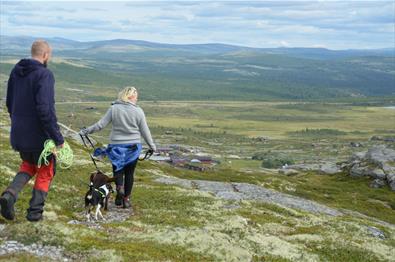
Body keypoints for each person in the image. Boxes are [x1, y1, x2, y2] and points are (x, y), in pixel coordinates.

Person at [1, 40, 64, 222]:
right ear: (45, 55)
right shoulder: (44, 75)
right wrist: (57, 138)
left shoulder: (16, 71)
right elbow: (45, 109)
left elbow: (9, 102)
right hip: (39, 136)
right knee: (46, 170)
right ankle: (35, 213)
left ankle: (10, 195)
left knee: (28, 166)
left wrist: (19, 124)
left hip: (20, 133)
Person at [79, 86, 156, 209]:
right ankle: (126, 199)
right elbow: (145, 131)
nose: (137, 98)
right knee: (130, 173)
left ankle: (119, 188)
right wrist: (152, 146)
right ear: (130, 96)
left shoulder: (113, 108)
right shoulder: (139, 111)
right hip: (133, 147)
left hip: (116, 147)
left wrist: (86, 131)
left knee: (118, 171)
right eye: (136, 96)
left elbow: (100, 125)